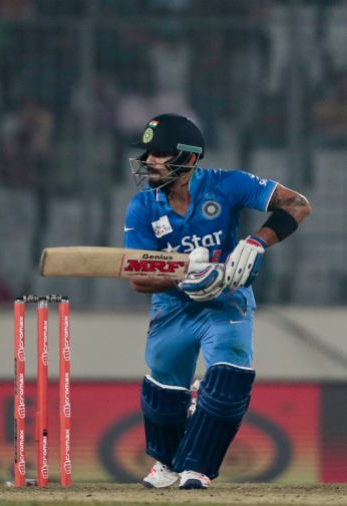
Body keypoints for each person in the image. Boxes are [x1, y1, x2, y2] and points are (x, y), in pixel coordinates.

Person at [123, 113, 311, 489]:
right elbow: (138, 280)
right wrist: (182, 273)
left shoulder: (229, 184)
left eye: (160, 153)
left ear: (190, 159)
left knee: (227, 383)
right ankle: (167, 464)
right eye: (148, 153)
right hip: (172, 307)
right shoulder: (142, 207)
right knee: (163, 393)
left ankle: (198, 467)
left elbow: (298, 204)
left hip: (226, 300)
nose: (149, 162)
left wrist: (257, 241)